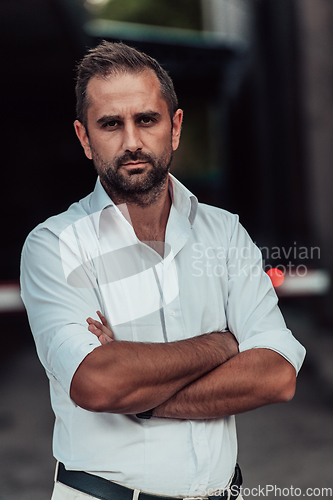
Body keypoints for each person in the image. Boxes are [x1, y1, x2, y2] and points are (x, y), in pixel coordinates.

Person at [20, 41, 306, 500]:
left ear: (174, 127)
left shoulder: (225, 234)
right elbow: (99, 382)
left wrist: (143, 401)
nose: (131, 141)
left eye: (146, 119)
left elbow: (276, 375)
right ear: (84, 137)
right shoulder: (55, 244)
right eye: (111, 124)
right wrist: (224, 343)